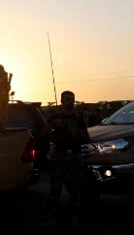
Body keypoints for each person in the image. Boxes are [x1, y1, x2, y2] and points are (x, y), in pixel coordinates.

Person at [40, 90, 90, 229]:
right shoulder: (55, 116)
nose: (70, 101)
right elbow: (44, 133)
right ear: (62, 101)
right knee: (55, 189)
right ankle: (51, 217)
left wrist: (70, 129)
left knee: (75, 190)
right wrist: (53, 124)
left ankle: (75, 217)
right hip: (59, 157)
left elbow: (86, 137)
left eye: (72, 99)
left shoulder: (79, 117)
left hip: (74, 156)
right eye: (67, 99)